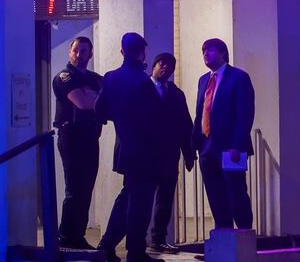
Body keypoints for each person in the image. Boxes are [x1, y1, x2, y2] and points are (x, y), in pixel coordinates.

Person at [96, 33, 162, 262]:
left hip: (124, 148)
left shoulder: (110, 78)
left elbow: (100, 111)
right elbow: (153, 120)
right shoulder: (143, 81)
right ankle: (135, 251)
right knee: (140, 203)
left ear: (122, 51)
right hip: (145, 150)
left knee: (127, 198)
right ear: (142, 53)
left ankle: (106, 245)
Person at [191, 38, 255, 230]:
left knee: (236, 192)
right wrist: (196, 145)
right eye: (203, 51)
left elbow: (245, 114)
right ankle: (223, 235)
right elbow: (200, 112)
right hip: (207, 147)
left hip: (231, 148)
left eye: (210, 50)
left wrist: (237, 145)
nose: (205, 54)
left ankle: (245, 236)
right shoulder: (204, 80)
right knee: (215, 194)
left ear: (223, 53)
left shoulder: (239, 77)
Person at [52, 36, 103, 249]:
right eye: (76, 50)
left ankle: (78, 236)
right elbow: (83, 102)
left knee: (87, 188)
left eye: (84, 51)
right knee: (74, 189)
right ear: (69, 52)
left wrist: (94, 95)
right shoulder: (64, 77)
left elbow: (105, 101)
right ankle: (66, 236)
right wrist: (93, 95)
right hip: (71, 137)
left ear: (90, 54)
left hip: (91, 137)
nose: (79, 55)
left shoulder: (96, 78)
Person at [147, 53, 195, 254]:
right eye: (161, 64)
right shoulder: (143, 89)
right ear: (154, 66)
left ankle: (158, 238)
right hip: (146, 154)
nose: (166, 68)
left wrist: (189, 152)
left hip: (169, 154)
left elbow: (185, 123)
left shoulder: (176, 93)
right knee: (142, 198)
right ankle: (137, 239)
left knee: (165, 199)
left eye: (170, 65)